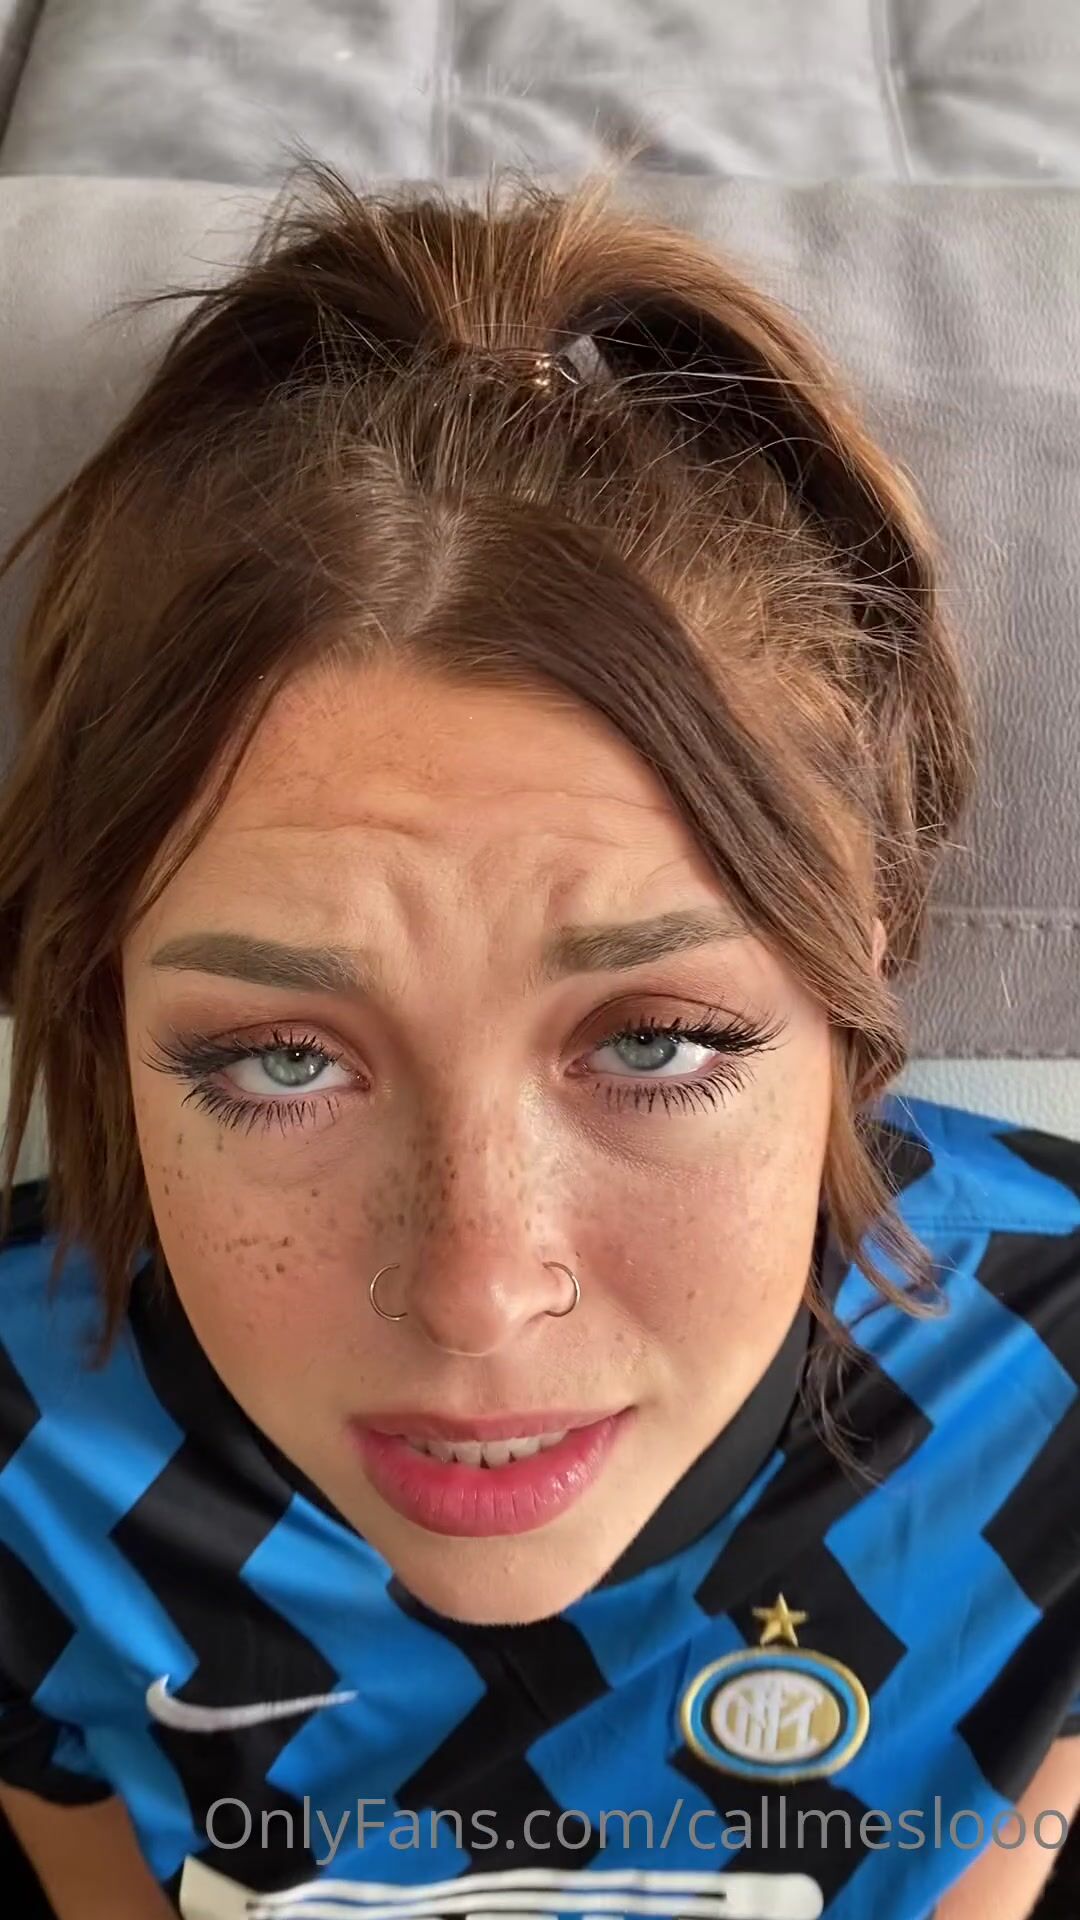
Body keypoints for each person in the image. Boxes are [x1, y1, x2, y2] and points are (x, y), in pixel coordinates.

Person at [0, 157, 1076, 1920]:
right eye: (281, 1060)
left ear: (860, 952)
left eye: (655, 1042)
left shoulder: (1050, 1396)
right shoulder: (27, 1445)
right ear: (104, 999)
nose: (477, 1293)